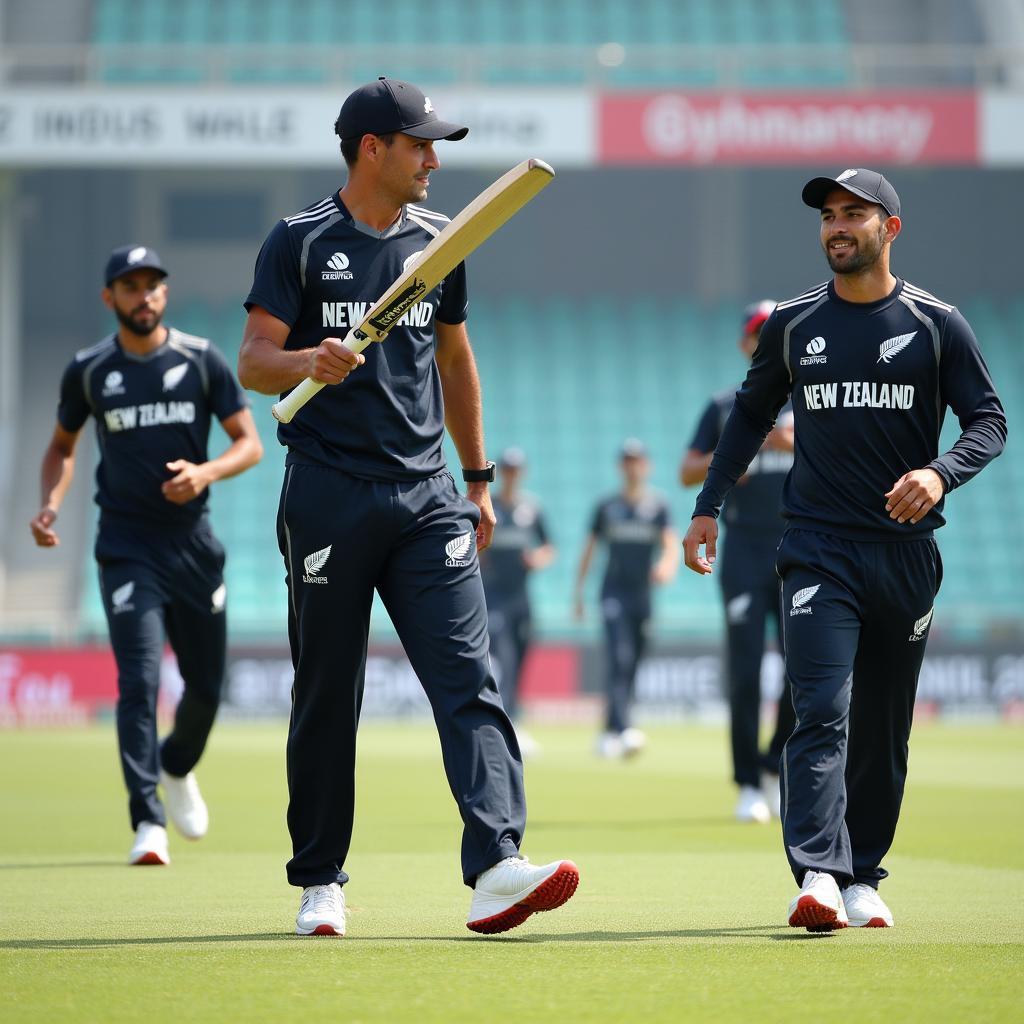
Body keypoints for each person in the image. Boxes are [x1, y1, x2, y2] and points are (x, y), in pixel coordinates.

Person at [237, 77, 578, 938]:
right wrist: (305, 361)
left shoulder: (442, 240)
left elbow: (456, 364)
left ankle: (498, 864)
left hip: (428, 497)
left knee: (470, 679)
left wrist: (476, 478)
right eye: (420, 144)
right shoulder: (299, 242)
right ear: (370, 149)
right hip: (326, 493)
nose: (434, 159)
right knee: (328, 692)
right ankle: (320, 880)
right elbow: (252, 361)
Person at [683, 168, 1006, 931]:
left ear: (890, 229)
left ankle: (863, 876)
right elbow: (748, 415)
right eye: (828, 215)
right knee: (819, 709)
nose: (837, 225)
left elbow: (989, 421)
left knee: (884, 725)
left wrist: (939, 471)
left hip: (905, 555)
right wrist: (707, 508)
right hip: (816, 550)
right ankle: (819, 876)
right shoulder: (793, 323)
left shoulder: (937, 323)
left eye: (854, 214)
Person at [30, 244, 263, 866]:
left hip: (192, 545)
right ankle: (147, 820)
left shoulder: (200, 360)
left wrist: (206, 472)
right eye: (129, 287)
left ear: (164, 293)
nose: (144, 296)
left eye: (152, 285)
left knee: (206, 690)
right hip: (126, 546)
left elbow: (249, 444)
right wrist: (51, 501)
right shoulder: (88, 369)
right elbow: (61, 446)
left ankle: (177, 765)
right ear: (110, 298)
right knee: (138, 681)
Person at [681, 301, 796, 824]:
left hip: (802, 551)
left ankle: (775, 765)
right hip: (745, 551)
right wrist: (737, 457)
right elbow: (688, 471)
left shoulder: (813, 401)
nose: (764, 340)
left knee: (806, 669)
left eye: (773, 332)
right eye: (757, 333)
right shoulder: (727, 405)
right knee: (746, 671)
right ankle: (748, 782)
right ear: (744, 344)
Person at [575, 439, 679, 758]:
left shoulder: (658, 505)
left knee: (633, 660)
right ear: (621, 467)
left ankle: (608, 729)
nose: (633, 466)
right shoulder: (607, 506)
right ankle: (623, 729)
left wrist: (666, 566)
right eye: (627, 461)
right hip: (613, 591)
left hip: (642, 595)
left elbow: (670, 544)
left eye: (638, 460)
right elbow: (590, 549)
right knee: (619, 656)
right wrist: (578, 593)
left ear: (646, 466)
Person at [479, 447, 555, 759]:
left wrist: (537, 558)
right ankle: (507, 723)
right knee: (505, 659)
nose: (511, 475)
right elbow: (472, 542)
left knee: (520, 658)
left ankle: (511, 718)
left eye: (515, 469)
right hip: (493, 595)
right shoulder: (489, 506)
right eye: (507, 469)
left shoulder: (531, 509)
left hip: (521, 597)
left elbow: (549, 546)